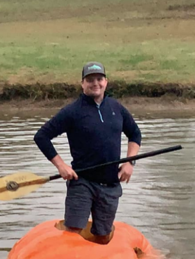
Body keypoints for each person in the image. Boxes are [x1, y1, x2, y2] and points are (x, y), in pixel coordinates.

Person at [34, 62, 142, 245]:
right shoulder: (72, 111)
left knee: (103, 235)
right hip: (81, 182)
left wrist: (130, 162)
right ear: (82, 83)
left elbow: (135, 134)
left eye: (99, 79)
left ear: (106, 82)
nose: (95, 84)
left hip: (110, 183)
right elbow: (42, 136)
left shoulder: (116, 108)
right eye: (90, 80)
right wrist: (61, 166)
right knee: (73, 231)